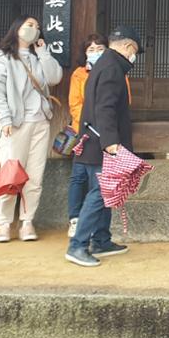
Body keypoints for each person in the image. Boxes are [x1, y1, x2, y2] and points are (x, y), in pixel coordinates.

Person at [66, 25, 141, 267]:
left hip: (93, 139)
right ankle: (77, 246)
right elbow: (105, 108)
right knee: (99, 193)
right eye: (134, 51)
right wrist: (111, 142)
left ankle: (101, 240)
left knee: (105, 192)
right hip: (101, 142)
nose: (134, 56)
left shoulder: (105, 64)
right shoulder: (112, 68)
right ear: (128, 46)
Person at [0, 15, 63, 243]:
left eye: (37, 27)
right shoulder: (3, 58)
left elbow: (54, 78)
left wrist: (44, 53)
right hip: (15, 124)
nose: (34, 29)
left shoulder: (38, 57)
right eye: (29, 25)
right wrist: (4, 119)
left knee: (35, 176)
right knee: (11, 174)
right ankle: (4, 223)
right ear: (17, 28)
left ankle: (27, 221)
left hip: (40, 122)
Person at [66, 34, 110, 238]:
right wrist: (84, 125)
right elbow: (75, 103)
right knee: (78, 176)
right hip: (82, 132)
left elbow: (123, 100)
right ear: (84, 53)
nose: (95, 53)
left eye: (100, 48)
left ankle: (94, 226)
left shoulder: (114, 71)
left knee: (97, 179)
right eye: (91, 49)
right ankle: (75, 219)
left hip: (104, 133)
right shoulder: (79, 74)